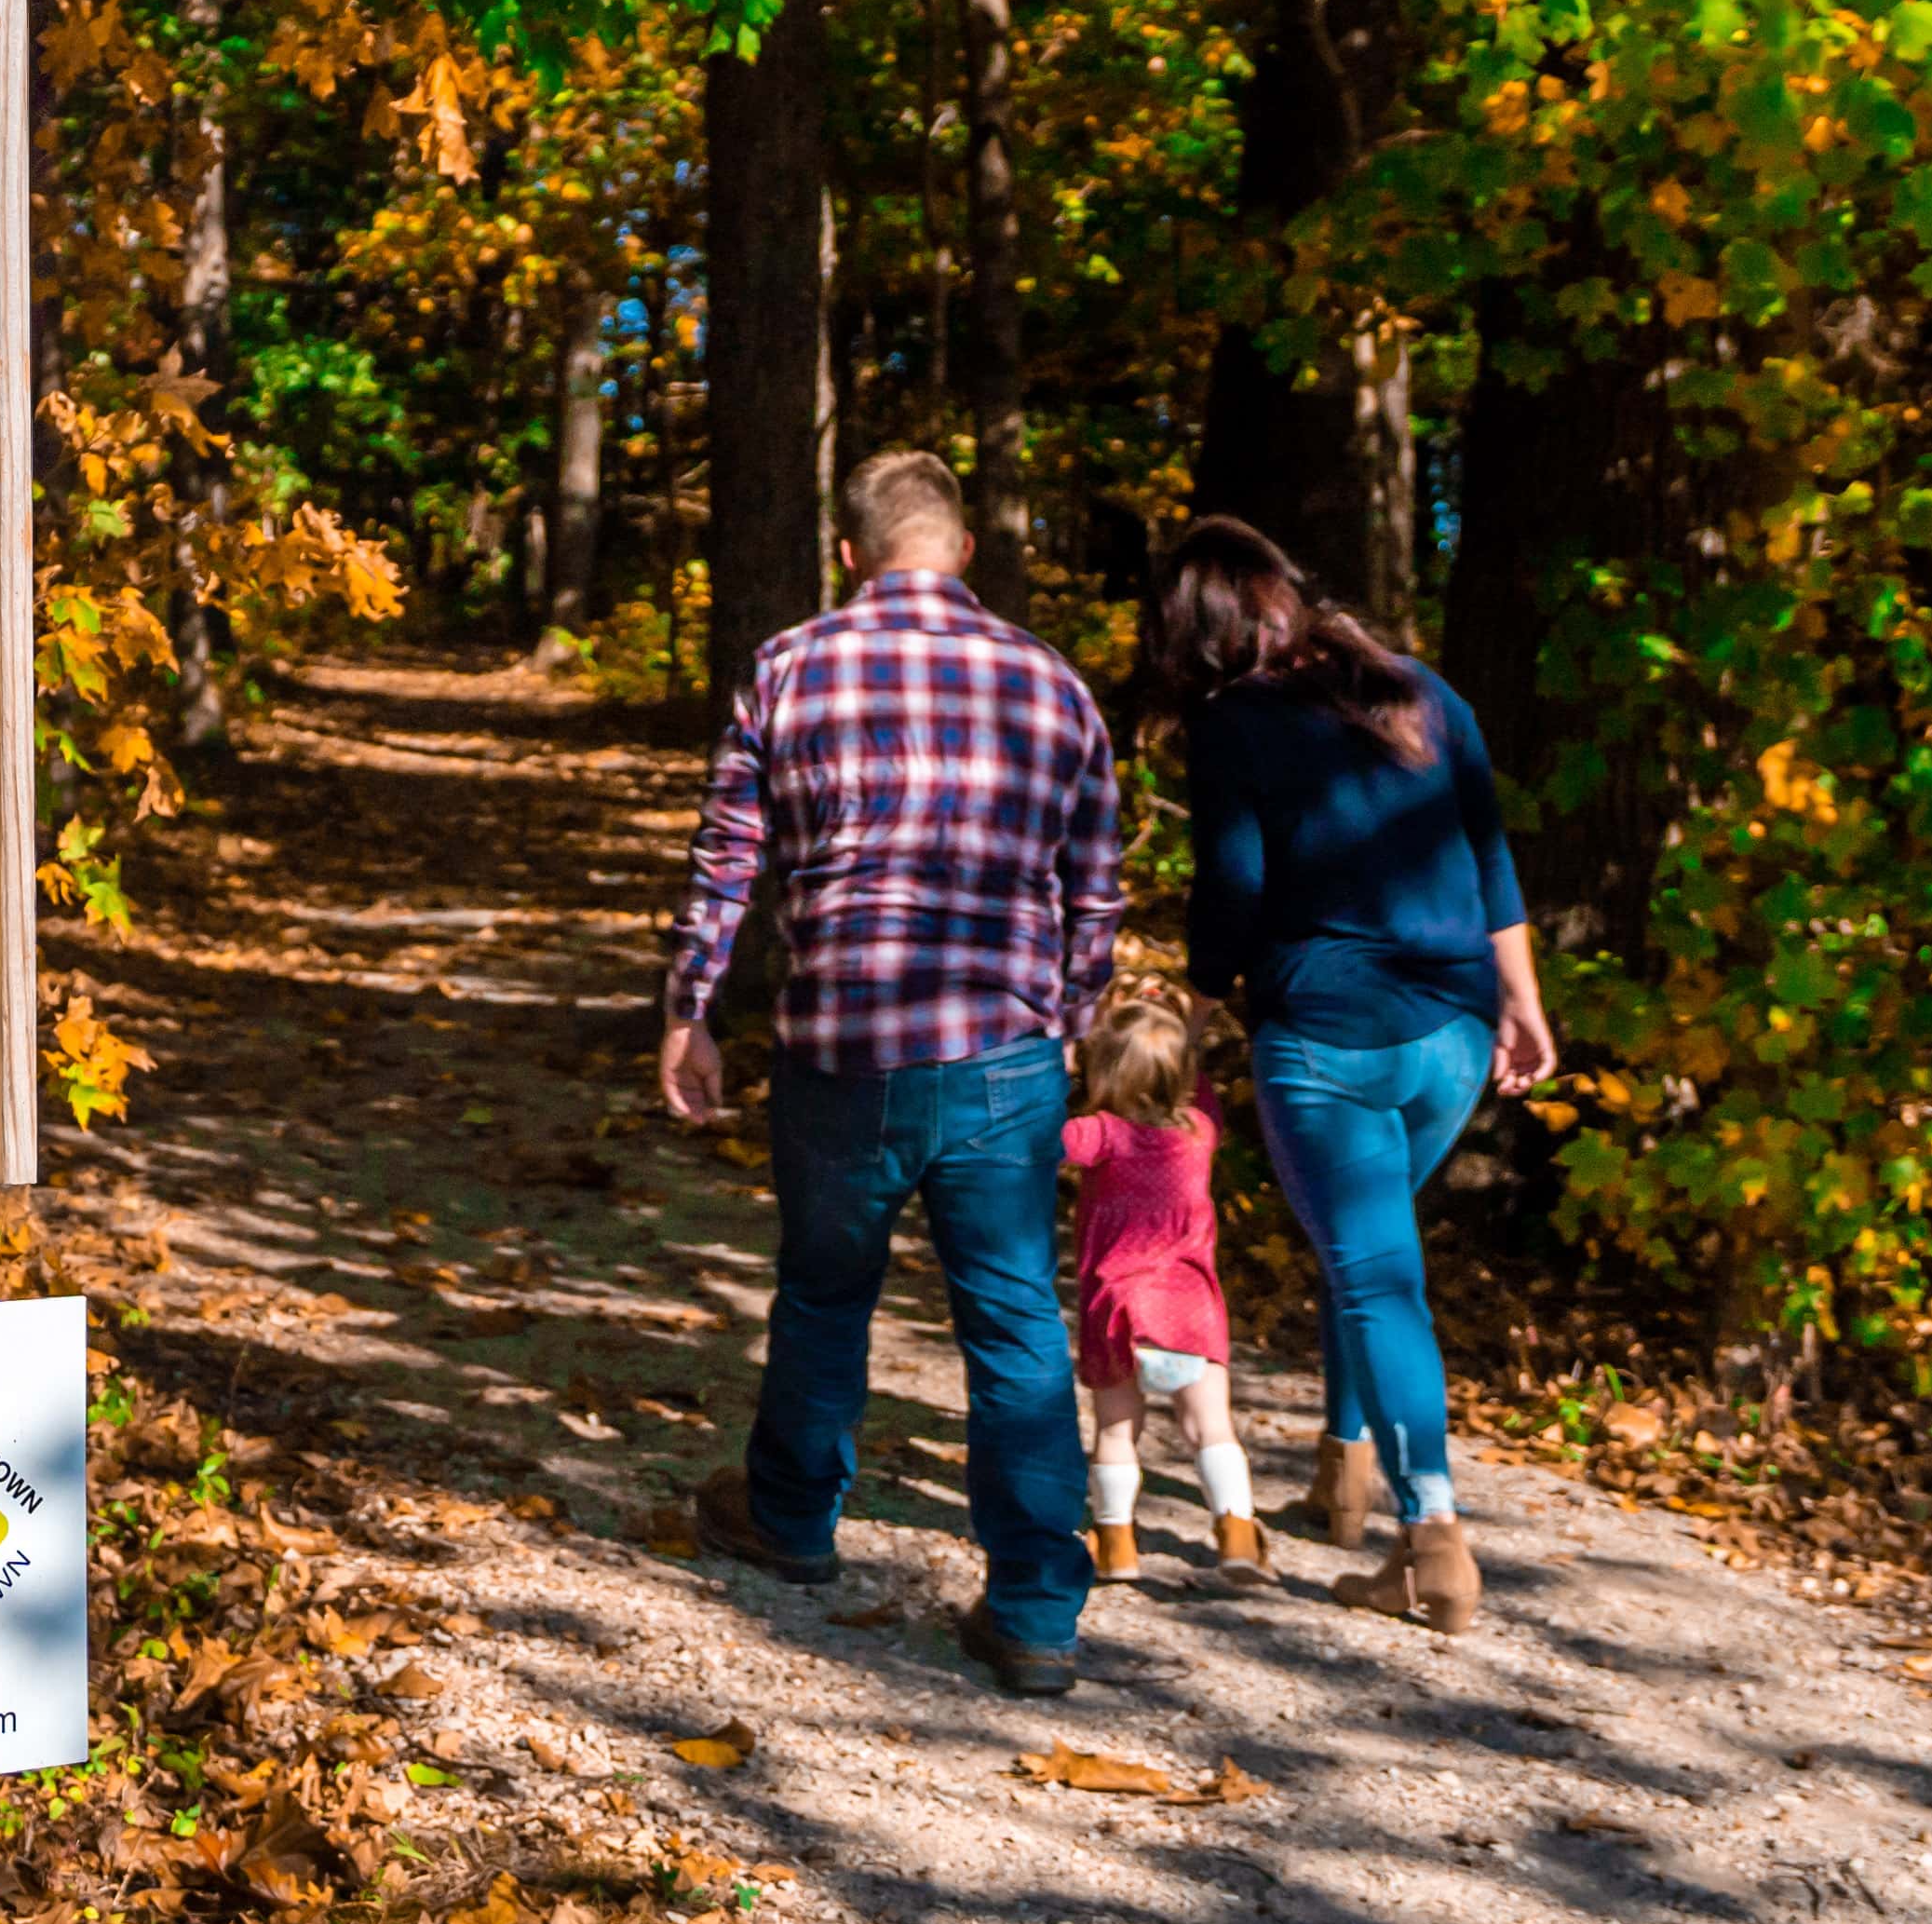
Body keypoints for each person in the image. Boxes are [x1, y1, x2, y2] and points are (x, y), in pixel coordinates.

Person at [661, 448, 1127, 1698]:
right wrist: (1066, 1024)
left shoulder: (787, 665)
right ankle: (1034, 1608)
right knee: (1016, 1321)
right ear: (964, 552)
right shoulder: (1052, 683)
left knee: (824, 1292)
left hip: (841, 1046)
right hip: (1000, 1054)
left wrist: (689, 1013)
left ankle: (794, 1520)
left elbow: (725, 863)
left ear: (849, 556)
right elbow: (1097, 892)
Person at [1140, 516, 1558, 1634]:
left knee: (1373, 1274)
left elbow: (1230, 884)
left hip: (1330, 1036)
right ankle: (1343, 1471)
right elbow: (1489, 850)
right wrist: (1522, 998)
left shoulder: (1235, 722)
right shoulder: (1422, 689)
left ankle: (1433, 1544)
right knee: (1368, 1251)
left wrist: (1202, 994)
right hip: (1456, 1033)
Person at [1063, 986, 1263, 1579]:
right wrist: (1190, 1022)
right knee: (1211, 1429)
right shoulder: (1200, 1130)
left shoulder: (1098, 1133)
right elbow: (1191, 1084)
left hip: (1120, 1306)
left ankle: (1118, 1544)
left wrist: (1078, 1039)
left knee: (1117, 1429)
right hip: (1191, 1309)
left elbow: (1035, 1144)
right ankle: (1237, 1538)